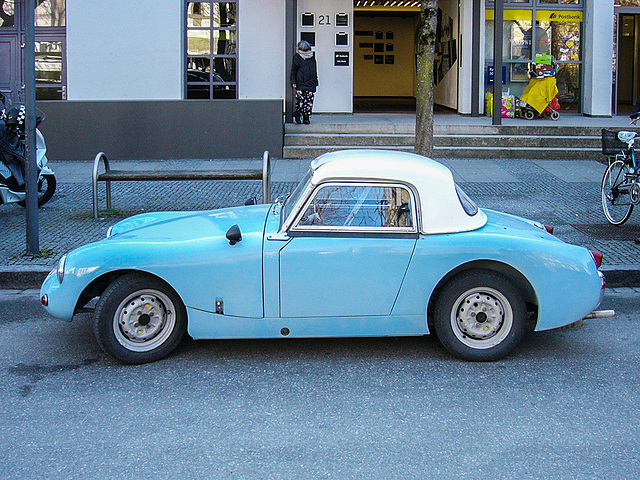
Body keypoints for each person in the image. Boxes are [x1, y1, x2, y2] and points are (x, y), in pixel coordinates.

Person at [290, 40, 318, 125]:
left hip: (310, 82)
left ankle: (306, 117)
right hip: (300, 82)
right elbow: (293, 71)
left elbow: (314, 70)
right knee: (301, 101)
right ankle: (298, 114)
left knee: (309, 102)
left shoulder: (312, 57)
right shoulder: (297, 57)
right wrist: (293, 81)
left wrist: (315, 81)